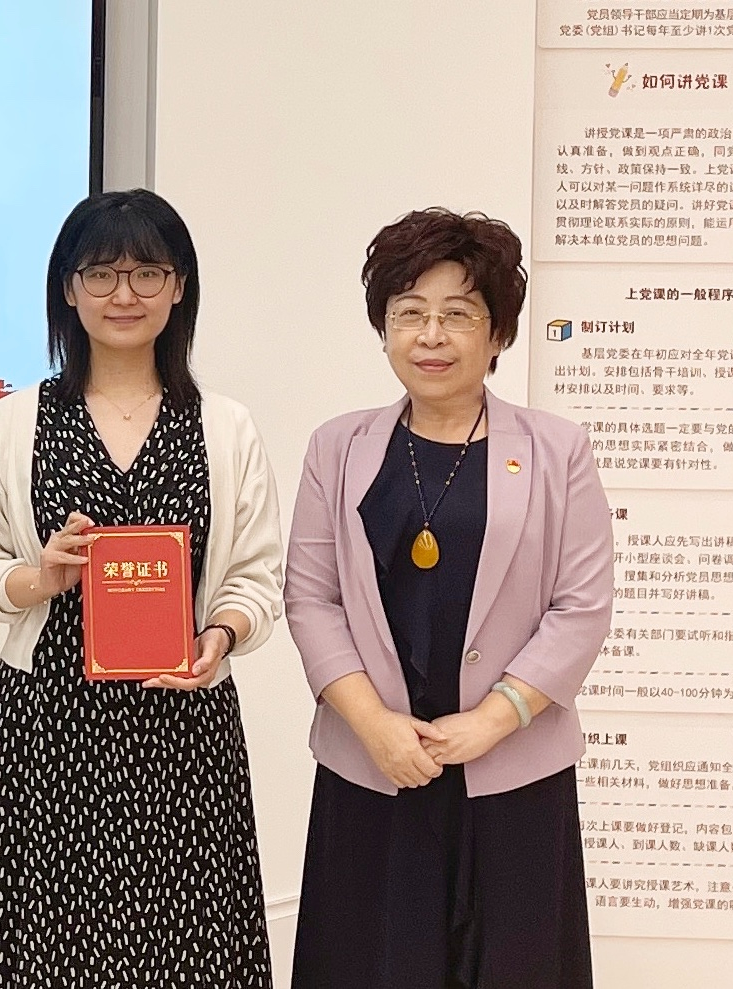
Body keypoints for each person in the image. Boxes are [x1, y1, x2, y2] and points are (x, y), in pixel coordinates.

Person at [0, 189, 284, 988]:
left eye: (147, 272)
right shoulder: (16, 421)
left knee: (188, 946)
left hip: (184, 729)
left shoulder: (224, 426)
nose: (124, 294)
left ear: (180, 286)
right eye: (101, 274)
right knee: (43, 949)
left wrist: (221, 635)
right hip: (47, 727)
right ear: (68, 288)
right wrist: (37, 576)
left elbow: (256, 575)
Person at [285, 208, 612, 988]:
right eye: (410, 313)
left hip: (513, 770)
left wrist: (491, 720)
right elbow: (310, 598)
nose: (431, 335)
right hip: (374, 765)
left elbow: (581, 606)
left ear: (497, 333)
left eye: (458, 314)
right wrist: (375, 725)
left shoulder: (557, 449)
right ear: (384, 328)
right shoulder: (338, 446)